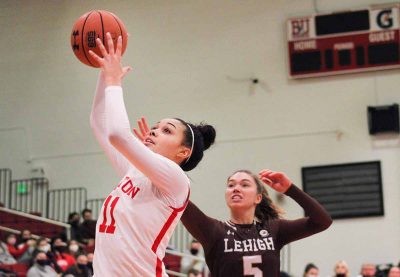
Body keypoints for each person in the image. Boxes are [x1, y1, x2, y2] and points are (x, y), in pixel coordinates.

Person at [87, 33, 216, 276]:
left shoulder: (176, 180)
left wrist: (114, 81)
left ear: (183, 152)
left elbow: (117, 134)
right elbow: (99, 123)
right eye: (155, 127)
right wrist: (105, 73)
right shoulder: (134, 171)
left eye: (166, 130)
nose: (155, 131)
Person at [178, 169, 332, 276]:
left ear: (258, 198)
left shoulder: (274, 229)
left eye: (244, 184)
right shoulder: (214, 231)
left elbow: (322, 221)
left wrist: (290, 189)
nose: (236, 189)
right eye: (231, 185)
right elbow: (176, 195)